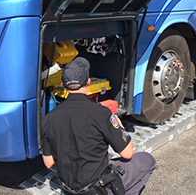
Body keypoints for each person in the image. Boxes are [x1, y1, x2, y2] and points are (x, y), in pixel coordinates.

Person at [41, 57, 156, 195]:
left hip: (68, 188)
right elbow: (127, 153)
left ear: (63, 84)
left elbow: (49, 163)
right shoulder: (101, 114)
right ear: (88, 82)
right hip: (97, 188)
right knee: (147, 160)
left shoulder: (48, 119)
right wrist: (120, 127)